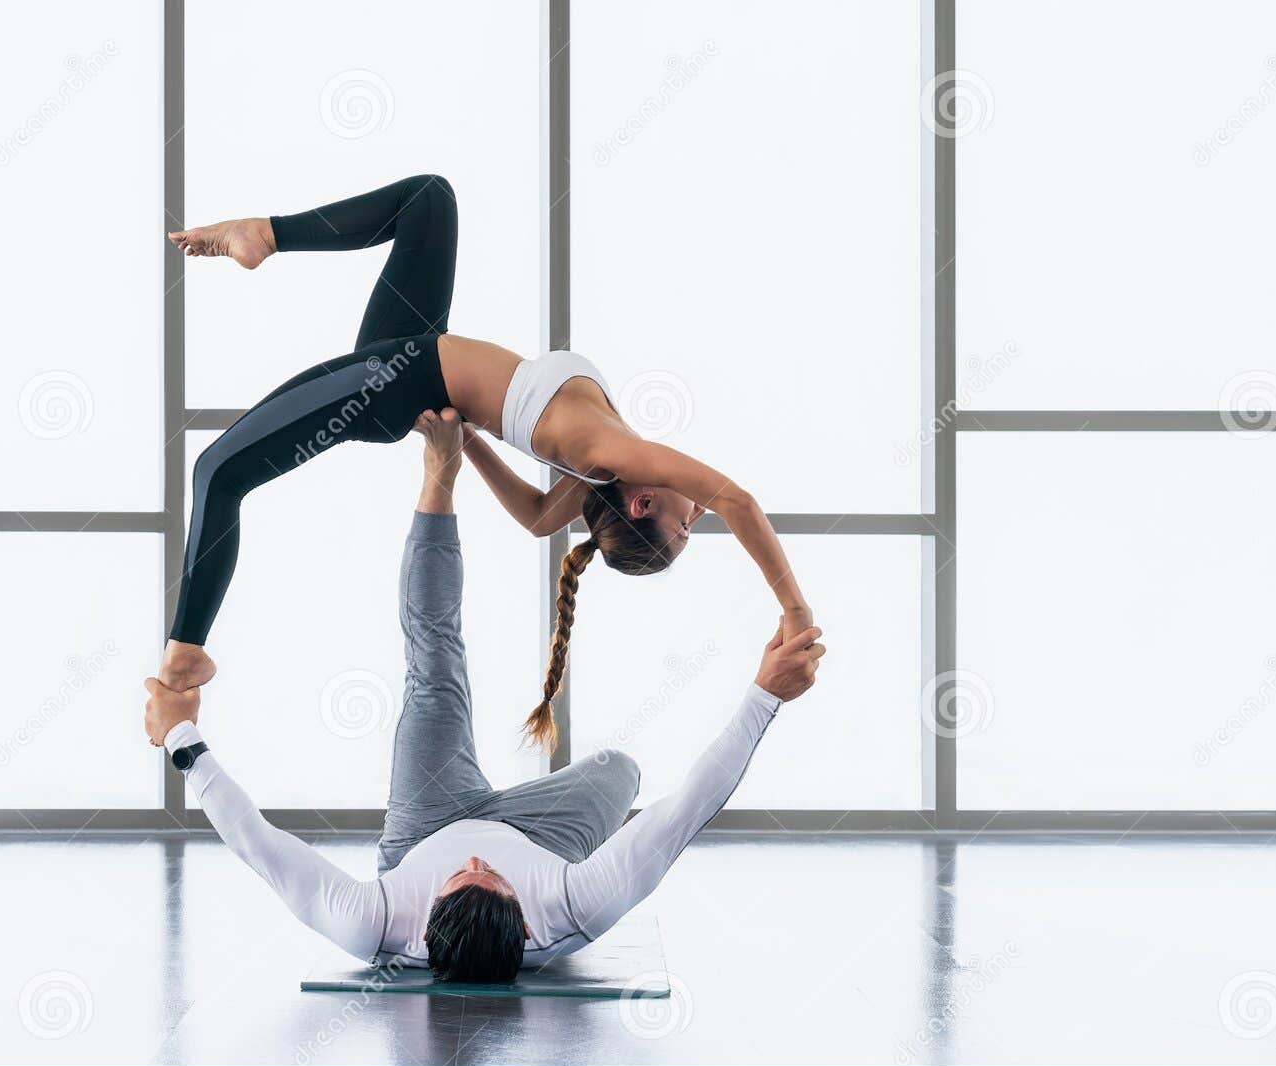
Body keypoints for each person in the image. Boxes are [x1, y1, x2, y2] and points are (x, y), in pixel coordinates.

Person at [143, 410, 823, 983]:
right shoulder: (574, 903)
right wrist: (766, 695)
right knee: (622, 769)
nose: (474, 861)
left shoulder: (371, 921)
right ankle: (558, 811)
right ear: (527, 921)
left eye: (460, 877)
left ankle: (439, 474)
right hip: (544, 840)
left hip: (424, 822)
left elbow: (258, 844)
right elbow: (686, 809)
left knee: (435, 664)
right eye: (488, 875)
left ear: (423, 926)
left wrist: (181, 738)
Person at [160, 175, 814, 748]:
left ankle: (186, 654)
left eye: (683, 526)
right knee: (429, 201)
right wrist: (464, 437)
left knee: (218, 472)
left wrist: (795, 612)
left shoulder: (607, 452)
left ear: (643, 503)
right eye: (691, 526)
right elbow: (536, 517)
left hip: (393, 380)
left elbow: (737, 499)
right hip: (411, 358)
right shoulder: (596, 468)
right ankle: (264, 234)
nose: (696, 511)